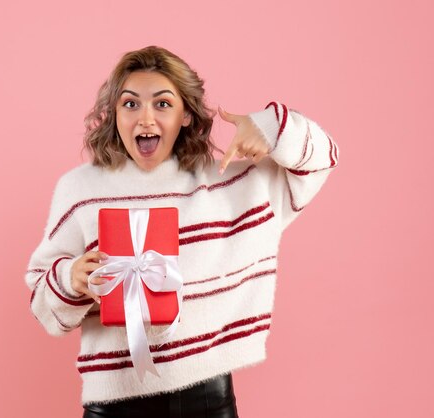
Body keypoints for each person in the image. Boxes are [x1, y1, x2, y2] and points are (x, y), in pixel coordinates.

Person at [24, 45, 339, 418]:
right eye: (130, 104)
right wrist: (70, 278)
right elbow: (42, 297)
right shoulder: (80, 188)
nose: (145, 118)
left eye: (162, 104)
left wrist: (271, 127)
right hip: (114, 403)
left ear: (186, 115)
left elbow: (322, 159)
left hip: (206, 400)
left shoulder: (228, 183)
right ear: (113, 115)